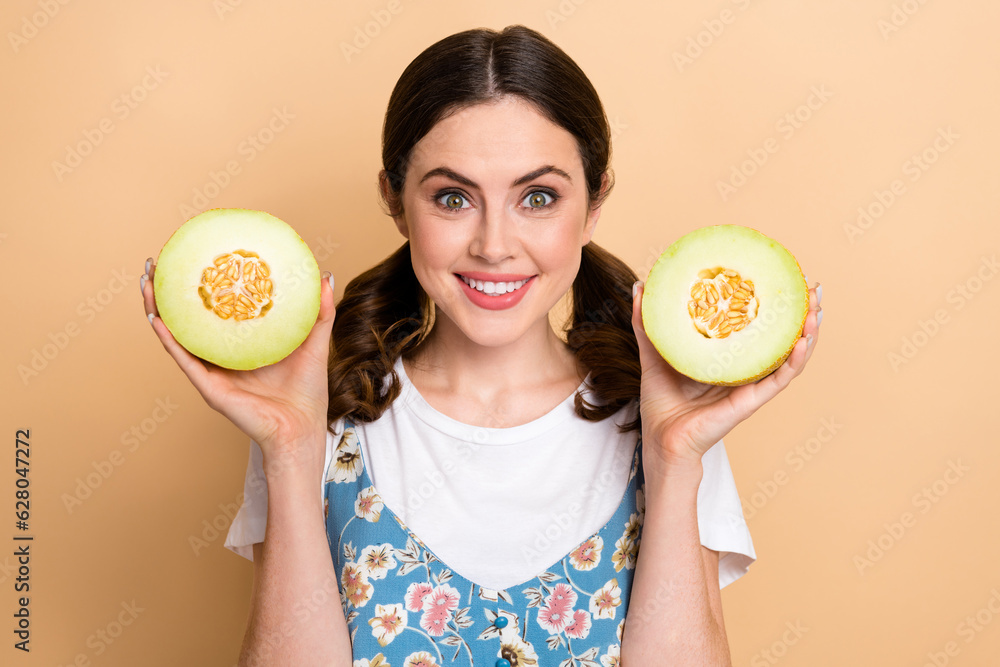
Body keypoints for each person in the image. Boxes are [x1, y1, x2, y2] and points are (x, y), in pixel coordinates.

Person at [142, 25, 821, 667]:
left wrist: (675, 462)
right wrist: (288, 450)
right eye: (452, 198)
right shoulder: (323, 409)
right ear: (395, 199)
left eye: (538, 197)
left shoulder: (667, 418)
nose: (494, 245)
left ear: (595, 201)